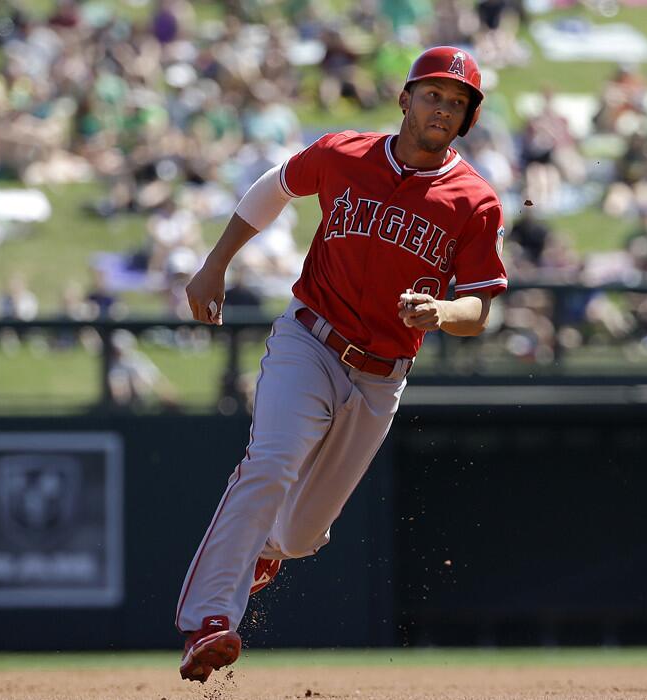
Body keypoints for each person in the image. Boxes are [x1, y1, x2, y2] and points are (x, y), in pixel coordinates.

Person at [175, 47, 507, 683]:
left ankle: (269, 550)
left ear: (466, 119)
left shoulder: (474, 201)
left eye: (457, 101)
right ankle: (208, 621)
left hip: (382, 375)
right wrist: (216, 262)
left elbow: (478, 310)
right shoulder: (343, 153)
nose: (444, 107)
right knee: (269, 463)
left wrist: (440, 313)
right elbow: (274, 189)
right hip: (310, 339)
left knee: (300, 536)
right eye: (433, 94)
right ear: (405, 99)